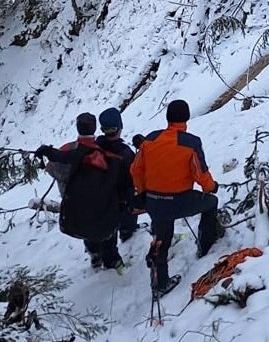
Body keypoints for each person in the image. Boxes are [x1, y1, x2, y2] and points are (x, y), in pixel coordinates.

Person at [130, 99, 221, 296]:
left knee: (162, 236)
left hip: (154, 200)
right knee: (211, 204)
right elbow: (200, 173)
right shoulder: (191, 142)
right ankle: (205, 247)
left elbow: (135, 168)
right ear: (186, 117)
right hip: (180, 200)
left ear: (167, 117)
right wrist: (211, 187)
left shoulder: (150, 140)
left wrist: (143, 190)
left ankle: (160, 282)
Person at [35, 113, 125, 272]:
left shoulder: (67, 150)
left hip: (74, 204)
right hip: (101, 204)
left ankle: (94, 254)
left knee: (85, 227)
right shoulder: (104, 152)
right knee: (106, 232)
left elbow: (52, 169)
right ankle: (112, 262)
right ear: (95, 128)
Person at [96, 107, 139, 242]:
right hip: (121, 202)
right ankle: (127, 230)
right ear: (120, 127)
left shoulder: (95, 147)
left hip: (100, 199)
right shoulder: (125, 153)